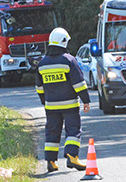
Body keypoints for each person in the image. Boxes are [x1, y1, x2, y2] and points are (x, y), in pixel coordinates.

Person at [35, 27, 91, 173]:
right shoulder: (69, 60)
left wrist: (45, 101)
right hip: (69, 105)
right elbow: (79, 83)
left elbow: (39, 87)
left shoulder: (42, 63)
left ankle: (51, 162)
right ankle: (72, 156)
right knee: (73, 130)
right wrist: (86, 100)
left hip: (51, 106)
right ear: (64, 41)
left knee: (52, 131)